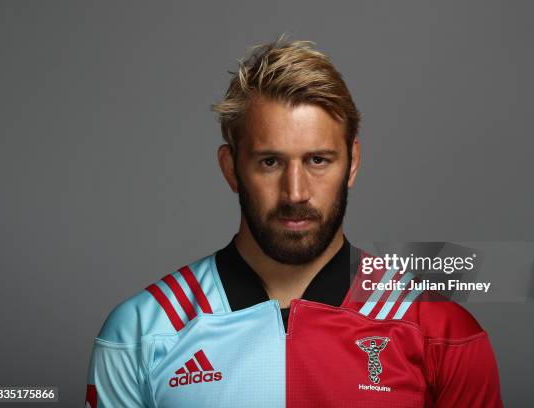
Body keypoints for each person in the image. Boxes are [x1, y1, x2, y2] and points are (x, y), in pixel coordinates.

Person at [85, 37, 503, 408]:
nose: (295, 192)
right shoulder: (141, 332)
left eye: (318, 160)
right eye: (270, 162)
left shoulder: (440, 331)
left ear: (352, 163)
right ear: (231, 169)